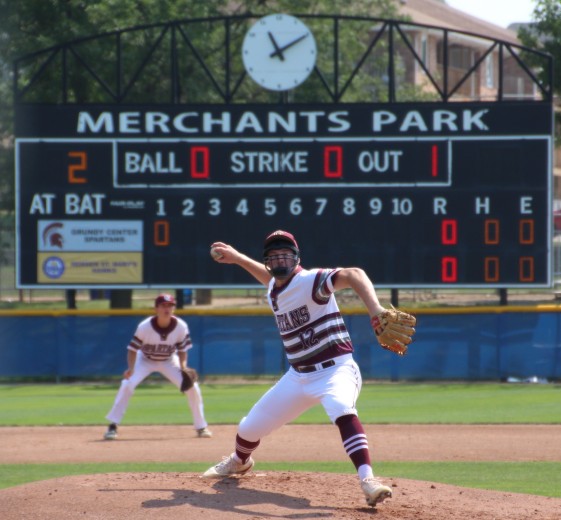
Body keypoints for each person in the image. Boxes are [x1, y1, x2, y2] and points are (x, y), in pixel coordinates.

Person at [203, 230, 393, 507]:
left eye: (285, 254)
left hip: (335, 371)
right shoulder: (274, 288)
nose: (280, 259)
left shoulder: (311, 281)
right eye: (274, 255)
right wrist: (238, 258)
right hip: (298, 376)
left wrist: (375, 310)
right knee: (248, 428)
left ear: (296, 258)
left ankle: (368, 481)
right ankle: (239, 461)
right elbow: (270, 280)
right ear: (268, 261)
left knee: (342, 408)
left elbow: (354, 274)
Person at [103, 293, 212, 440]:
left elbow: (182, 350)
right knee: (127, 384)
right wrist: (131, 368)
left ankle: (201, 426)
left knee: (193, 387)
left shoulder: (181, 326)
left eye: (170, 306)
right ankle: (113, 426)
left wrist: (183, 367)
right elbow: (132, 349)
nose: (167, 309)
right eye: (163, 306)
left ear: (174, 308)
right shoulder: (145, 326)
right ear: (156, 309)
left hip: (169, 361)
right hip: (145, 360)